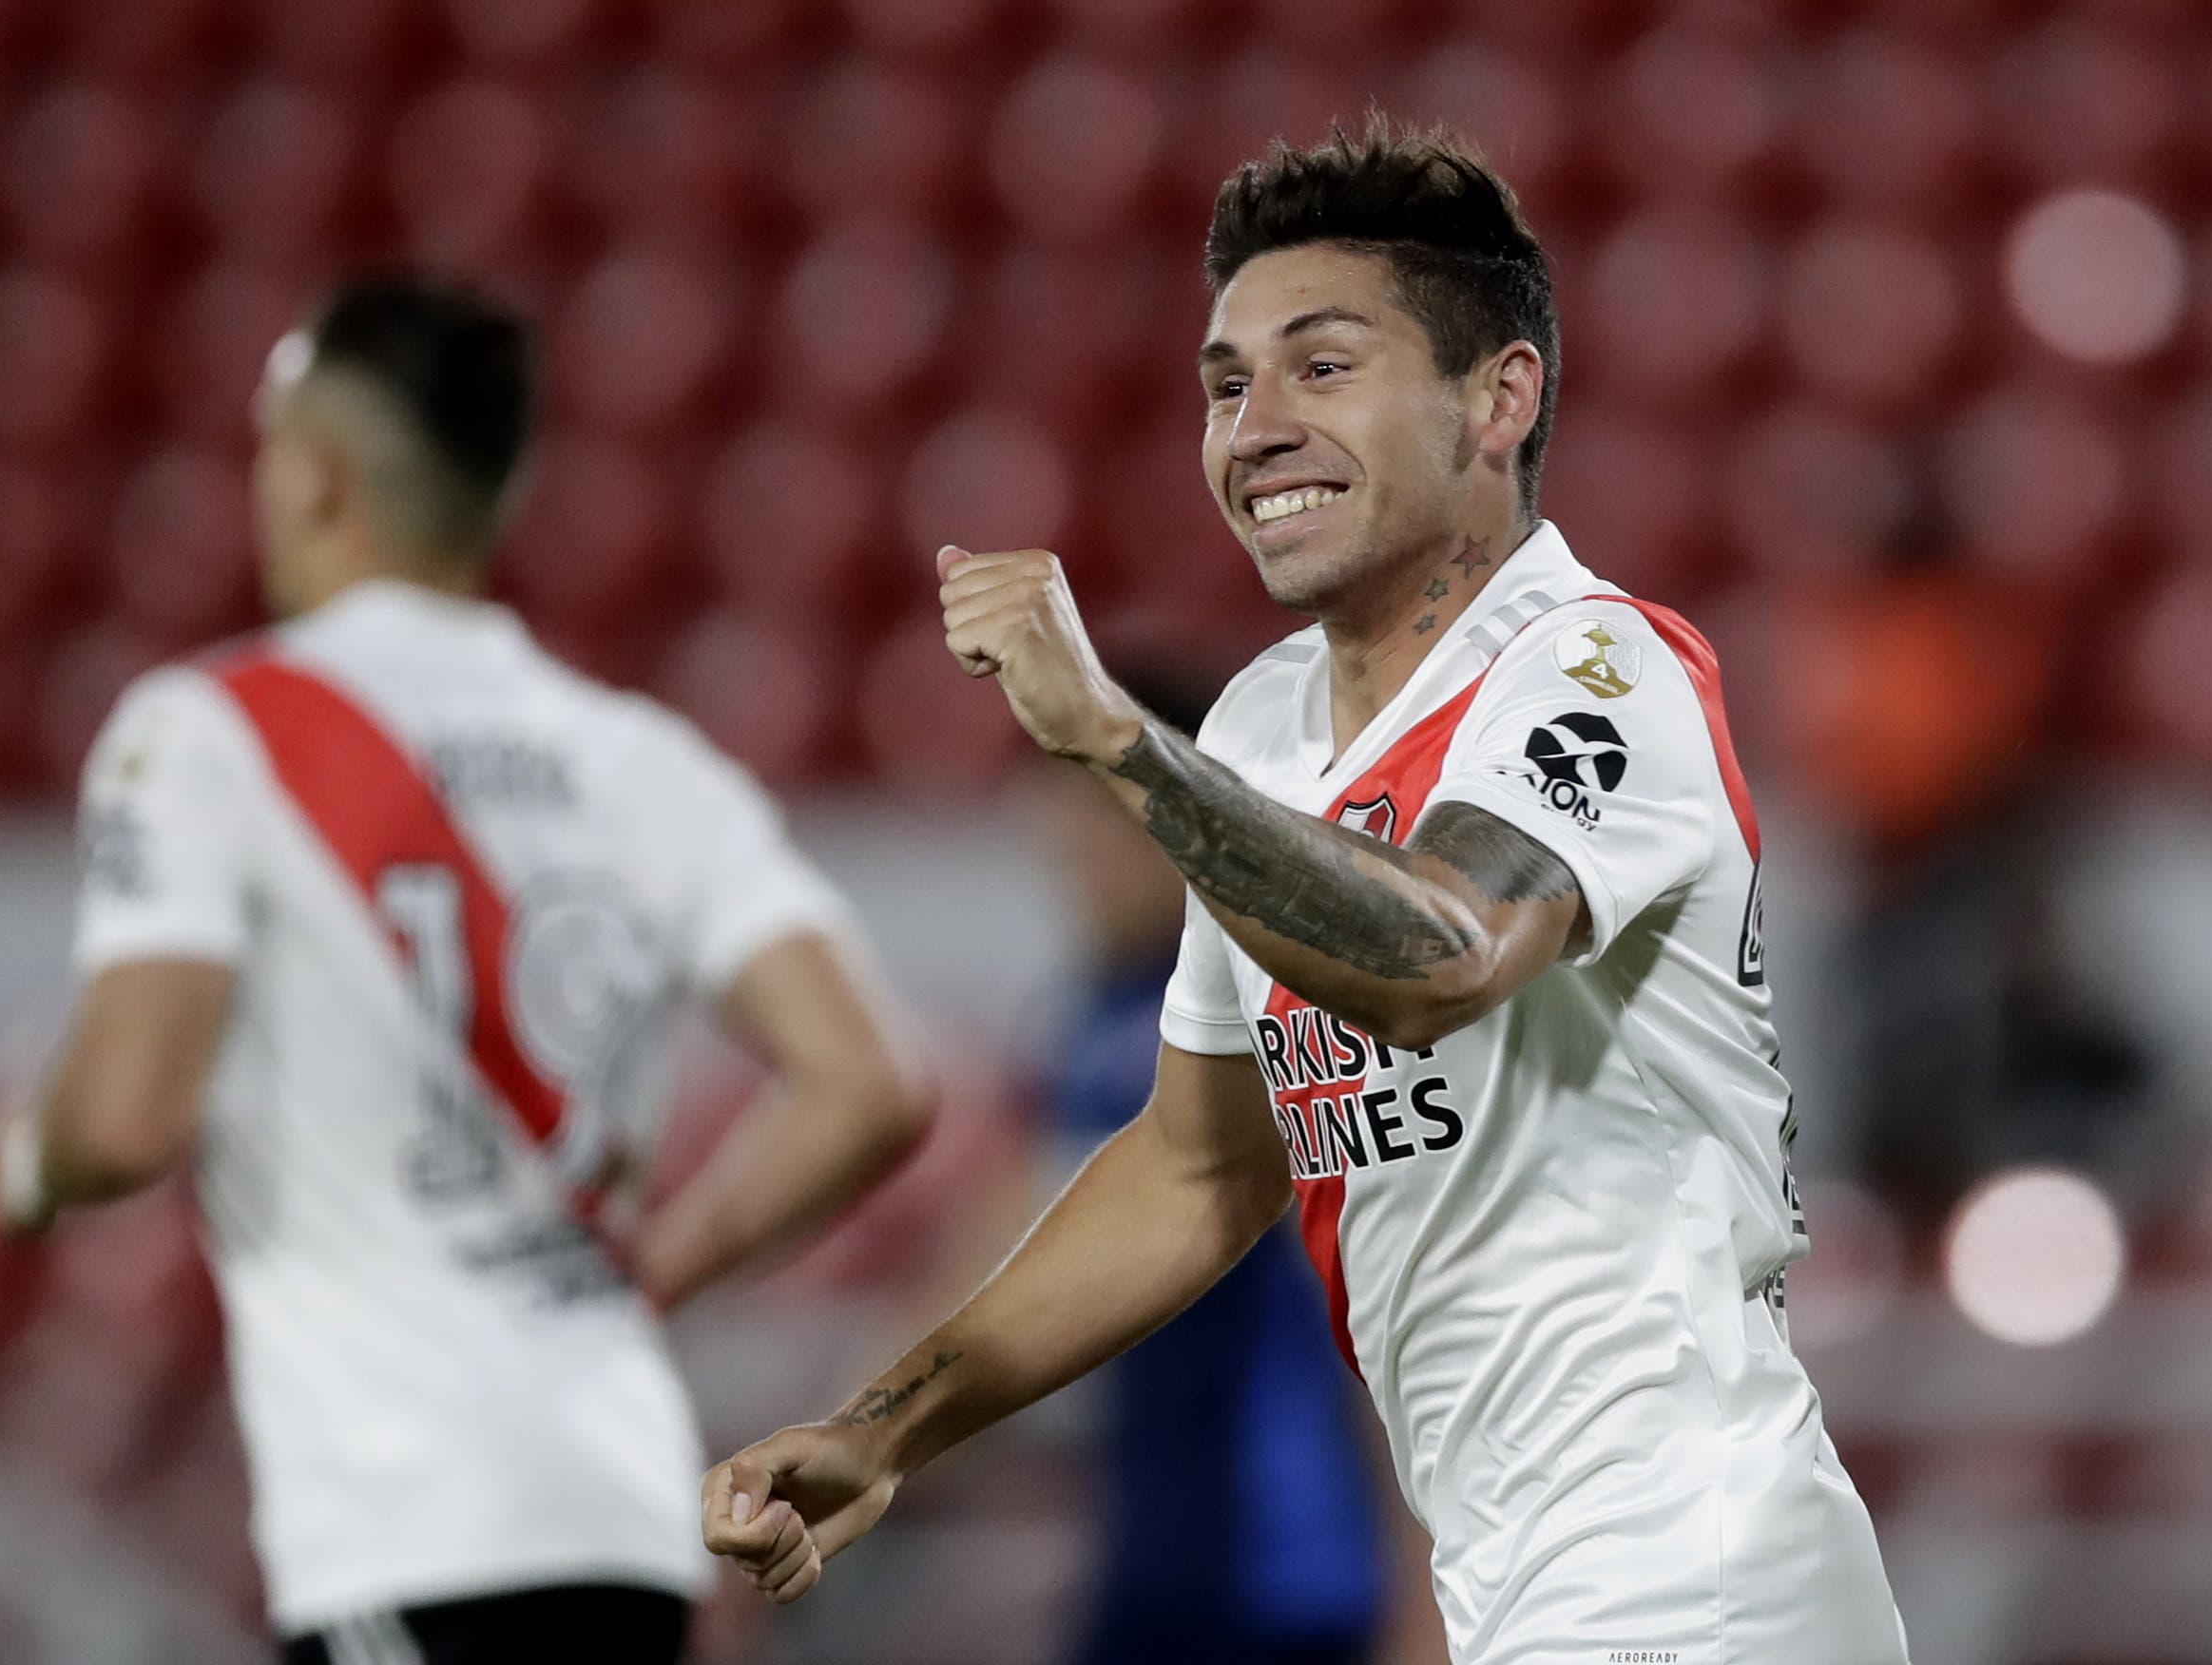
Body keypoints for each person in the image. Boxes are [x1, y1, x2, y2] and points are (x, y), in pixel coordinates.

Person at [702, 124, 1908, 1665]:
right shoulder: (1267, 730)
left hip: (1691, 1568)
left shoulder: (1601, 669)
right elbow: (1202, 1166)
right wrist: (887, 1428)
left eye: (1321, 367)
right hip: (1514, 1574)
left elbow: (1445, 952)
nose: (1252, 425)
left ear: (1500, 397)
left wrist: (1118, 743)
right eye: (1225, 382)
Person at [0, 276, 933, 1664]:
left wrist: (30, 1164)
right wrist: (643, 1277)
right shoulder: (636, 755)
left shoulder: (207, 734)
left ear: (310, 480)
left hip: (412, 1515)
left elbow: (128, 1115)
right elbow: (869, 1082)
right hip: (622, 1510)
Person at [1029, 668, 1384, 1665]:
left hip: (1290, 1573)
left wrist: (1427, 1587)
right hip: (1154, 1558)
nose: (1074, 858)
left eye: (1104, 821)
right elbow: (1000, 1246)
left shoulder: (1268, 1019)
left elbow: (1367, 1306)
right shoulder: (1098, 1019)